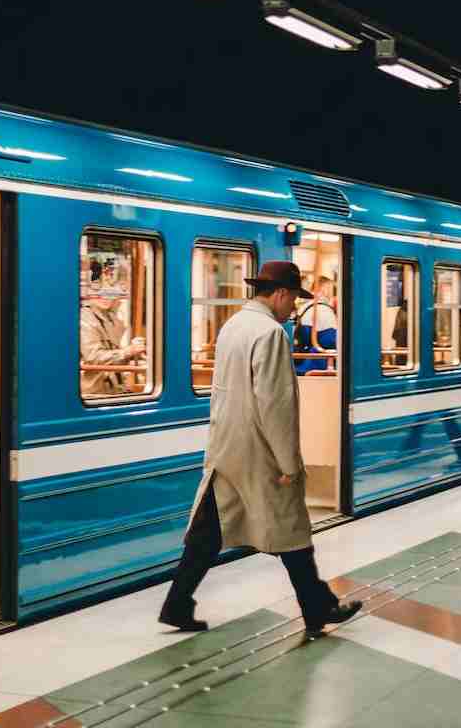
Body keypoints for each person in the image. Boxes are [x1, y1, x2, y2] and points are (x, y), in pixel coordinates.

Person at [159, 261, 362, 639]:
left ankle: (177, 603)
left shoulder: (232, 326)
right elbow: (275, 404)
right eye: (293, 301)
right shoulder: (270, 333)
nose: (293, 311)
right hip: (259, 451)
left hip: (226, 446)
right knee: (292, 532)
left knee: (208, 531)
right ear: (281, 294)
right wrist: (289, 462)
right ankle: (318, 607)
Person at [79, 296, 145, 396]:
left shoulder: (111, 317)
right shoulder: (84, 318)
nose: (105, 297)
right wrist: (129, 351)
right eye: (99, 292)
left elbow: (115, 357)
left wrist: (136, 354)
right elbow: (94, 357)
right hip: (94, 392)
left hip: (114, 389)